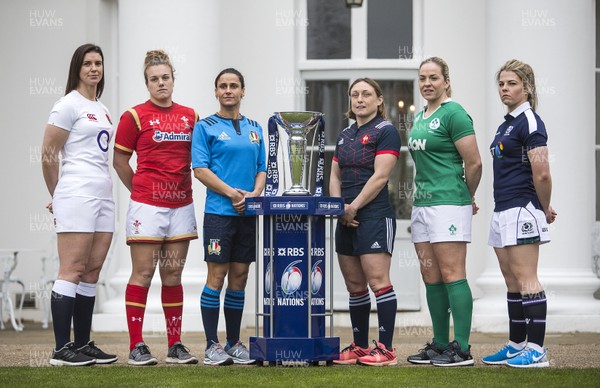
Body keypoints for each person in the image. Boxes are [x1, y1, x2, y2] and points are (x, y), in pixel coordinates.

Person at [113, 50, 199, 366]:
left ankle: (175, 344)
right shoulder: (134, 116)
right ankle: (137, 345)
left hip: (181, 206)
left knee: (173, 274)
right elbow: (120, 161)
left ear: (173, 80)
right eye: (154, 79)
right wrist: (140, 190)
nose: (160, 83)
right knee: (144, 272)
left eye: (165, 77)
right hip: (147, 207)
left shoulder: (191, 115)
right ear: (147, 84)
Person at [41, 43, 118, 366]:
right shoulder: (67, 105)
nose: (94, 69)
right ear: (77, 68)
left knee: (92, 271)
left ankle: (83, 343)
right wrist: (57, 194)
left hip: (102, 194)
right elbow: (48, 154)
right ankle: (61, 349)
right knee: (71, 269)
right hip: (76, 194)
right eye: (87, 63)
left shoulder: (100, 107)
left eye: (98, 63)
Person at [406, 57, 482, 367]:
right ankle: (439, 344)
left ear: (446, 81)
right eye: (422, 78)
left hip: (449, 203)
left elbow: (474, 162)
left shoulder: (455, 113)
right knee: (431, 276)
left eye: (434, 77)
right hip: (422, 204)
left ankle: (461, 348)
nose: (427, 83)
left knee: (452, 274)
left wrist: (468, 195)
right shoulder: (421, 115)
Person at [482, 59, 556, 368]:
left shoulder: (531, 122)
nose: (504, 89)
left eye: (511, 83)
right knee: (511, 280)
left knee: (527, 279)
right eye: (501, 84)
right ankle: (516, 344)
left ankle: (537, 350)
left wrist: (543, 206)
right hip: (502, 210)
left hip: (522, 208)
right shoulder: (506, 123)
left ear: (526, 87)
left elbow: (542, 173)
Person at [192, 68, 266, 366]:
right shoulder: (205, 127)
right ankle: (212, 345)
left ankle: (234, 343)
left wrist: (253, 194)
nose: (228, 90)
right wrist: (233, 194)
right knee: (217, 276)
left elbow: (262, 167)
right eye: (222, 86)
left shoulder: (255, 127)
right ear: (216, 92)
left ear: (243, 91)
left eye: (234, 85)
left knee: (240, 277)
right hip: (219, 214)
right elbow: (200, 169)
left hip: (247, 213)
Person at [330, 78, 401, 367]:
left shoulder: (386, 131)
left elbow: (381, 176)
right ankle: (360, 346)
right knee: (355, 287)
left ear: (379, 100)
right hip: (345, 217)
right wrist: (339, 209)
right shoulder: (345, 134)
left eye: (366, 94)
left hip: (373, 215)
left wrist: (354, 207)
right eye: (355, 94)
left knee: (378, 282)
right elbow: (335, 174)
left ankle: (386, 350)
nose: (360, 99)